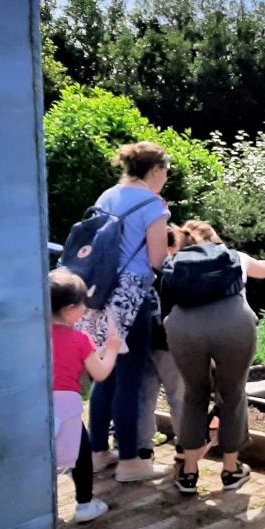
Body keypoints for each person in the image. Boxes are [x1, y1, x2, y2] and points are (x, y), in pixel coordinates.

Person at [166, 221, 265, 495]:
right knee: (233, 394)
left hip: (184, 328)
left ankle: (188, 472)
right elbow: (263, 268)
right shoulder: (234, 257)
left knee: (194, 394)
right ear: (216, 240)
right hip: (234, 325)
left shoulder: (176, 262)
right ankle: (231, 470)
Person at [82, 142, 171, 483]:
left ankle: (97, 452)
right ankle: (131, 462)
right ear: (155, 170)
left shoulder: (107, 196)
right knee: (129, 380)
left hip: (99, 296)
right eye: (166, 171)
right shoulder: (152, 204)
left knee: (105, 375)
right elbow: (157, 260)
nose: (166, 177)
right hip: (131, 298)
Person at [50, 269, 121, 523]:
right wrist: (112, 349)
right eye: (82, 304)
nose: (85, 308)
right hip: (67, 406)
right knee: (80, 455)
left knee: (39, 458)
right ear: (69, 309)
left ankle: (41, 508)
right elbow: (100, 373)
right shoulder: (80, 338)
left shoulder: (32, 335)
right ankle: (85, 504)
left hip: (35, 403)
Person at [138, 224, 188, 460]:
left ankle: (144, 448)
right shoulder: (176, 272)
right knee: (178, 398)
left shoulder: (140, 271)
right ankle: (184, 447)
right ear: (172, 246)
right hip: (171, 345)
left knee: (145, 399)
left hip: (144, 343)